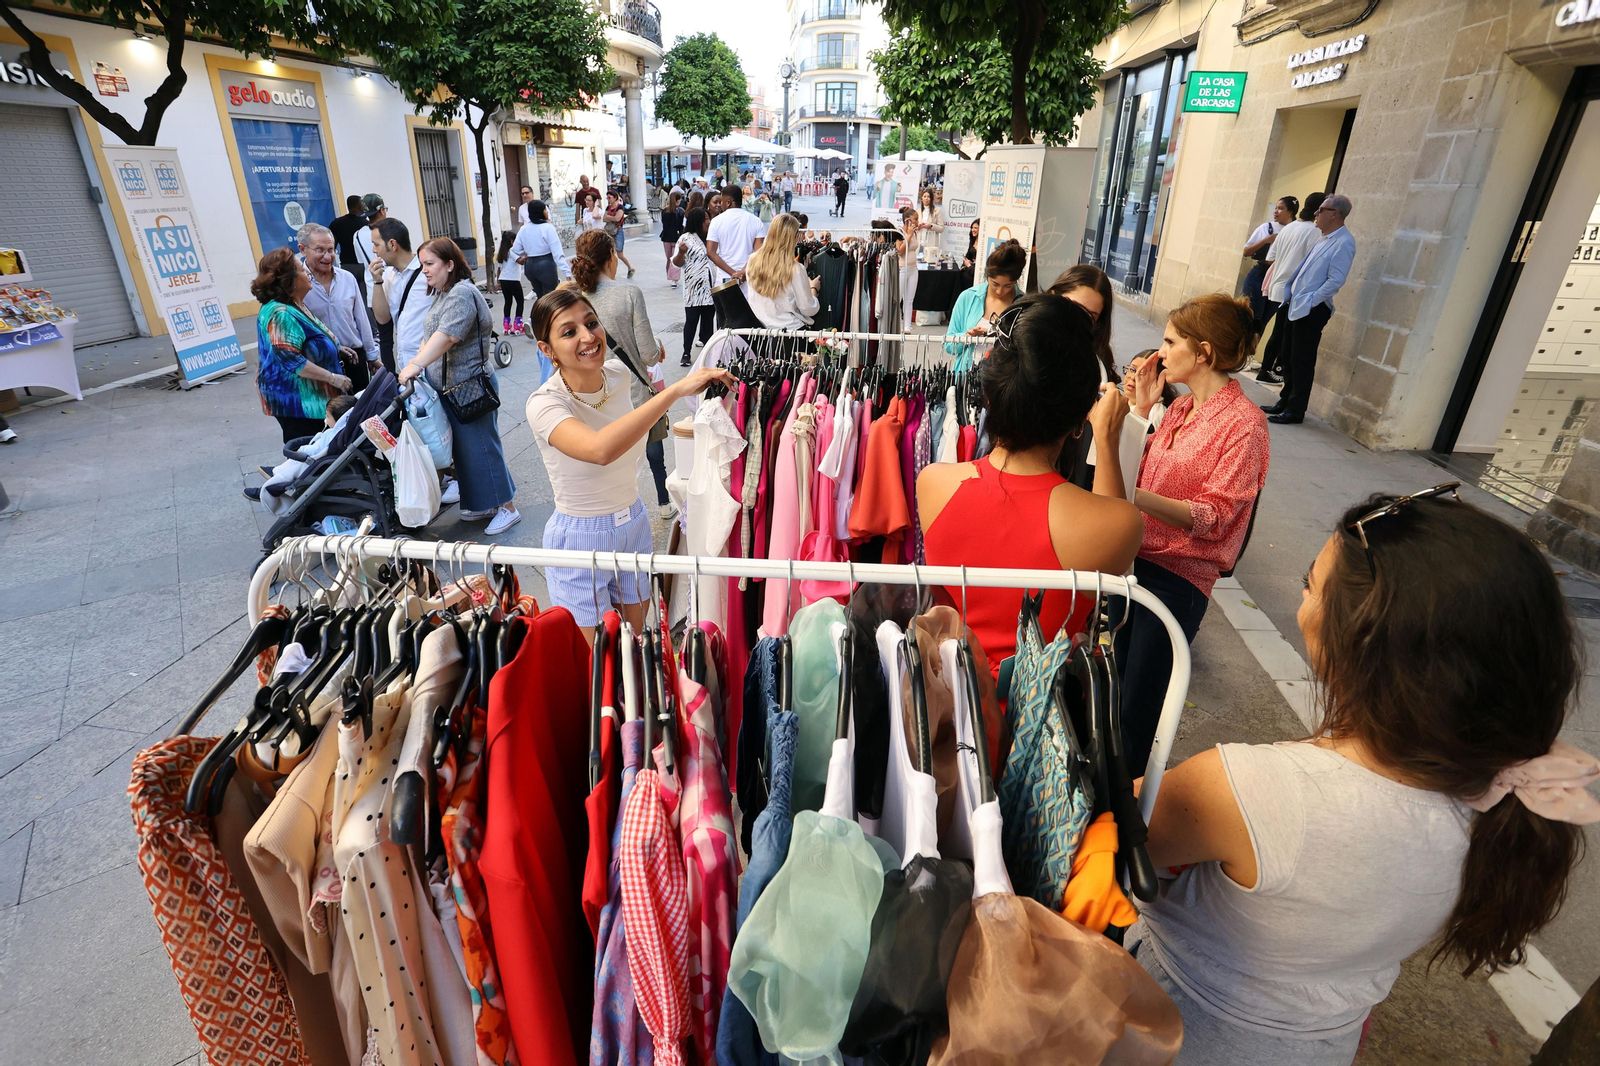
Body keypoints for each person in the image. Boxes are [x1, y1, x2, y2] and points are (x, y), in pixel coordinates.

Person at [1135, 487, 1598, 1064]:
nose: (1301, 599)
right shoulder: (1504, 799)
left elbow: (1115, 832)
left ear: (1357, 641)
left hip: (1179, 1031)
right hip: (1323, 1046)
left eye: (1309, 585)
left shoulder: (1253, 788)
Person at [1092, 293, 1272, 773]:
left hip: (1179, 579)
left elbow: (1213, 516)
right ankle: (1107, 802)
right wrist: (1140, 412)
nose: (1161, 351)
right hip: (1136, 564)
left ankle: (1124, 818)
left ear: (1204, 353)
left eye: (1171, 342)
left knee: (1137, 712)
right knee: (1114, 690)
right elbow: (1143, 470)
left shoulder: (1245, 426)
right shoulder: (1178, 410)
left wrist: (1132, 494)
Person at [920, 293, 1144, 676]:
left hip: (952, 709)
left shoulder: (934, 484)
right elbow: (1116, 541)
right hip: (1046, 721)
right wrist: (1105, 437)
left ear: (991, 395)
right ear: (1079, 419)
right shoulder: (1115, 524)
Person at [525, 288, 733, 632]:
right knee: (597, 661)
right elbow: (599, 450)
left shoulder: (618, 375)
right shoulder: (543, 404)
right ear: (547, 350)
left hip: (633, 521)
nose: (588, 336)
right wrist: (676, 390)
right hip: (580, 536)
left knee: (636, 645)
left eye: (591, 323)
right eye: (569, 331)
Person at [397, 237, 520, 535]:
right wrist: (417, 362)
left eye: (430, 264)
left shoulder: (461, 294)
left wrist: (416, 365)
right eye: (423, 264)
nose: (424, 270)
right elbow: (433, 333)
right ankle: (488, 502)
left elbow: (447, 337)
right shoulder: (444, 292)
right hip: (452, 388)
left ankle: (507, 508)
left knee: (482, 447)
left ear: (449, 264)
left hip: (469, 387)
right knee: (467, 450)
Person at [571, 230, 675, 519]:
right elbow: (648, 354)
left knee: (607, 455)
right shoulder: (629, 294)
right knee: (651, 444)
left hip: (590, 393)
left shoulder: (572, 298)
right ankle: (664, 502)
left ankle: (613, 508)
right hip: (631, 389)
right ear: (612, 258)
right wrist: (658, 347)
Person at [1265, 193, 1357, 425]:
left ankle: (1295, 410)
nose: (1315, 213)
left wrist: (1310, 301)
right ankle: (1285, 400)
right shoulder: (1323, 237)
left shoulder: (1344, 242)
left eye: (1321, 210)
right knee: (1287, 355)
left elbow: (1335, 281)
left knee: (1301, 361)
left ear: (1335, 214)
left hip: (1310, 309)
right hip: (1295, 304)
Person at [250, 248, 351, 444]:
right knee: (307, 452)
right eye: (302, 270)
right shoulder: (281, 313)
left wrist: (335, 347)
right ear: (291, 280)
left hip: (308, 399)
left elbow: (309, 338)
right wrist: (333, 378)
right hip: (298, 403)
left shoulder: (295, 303)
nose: (308, 273)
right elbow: (292, 360)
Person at [298, 222, 378, 390]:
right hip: (320, 365)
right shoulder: (298, 284)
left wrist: (371, 356)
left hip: (354, 359)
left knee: (362, 411)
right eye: (320, 250)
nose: (328, 257)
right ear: (303, 249)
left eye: (331, 250)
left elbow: (361, 320)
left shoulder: (347, 278)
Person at [1256, 192, 1324, 384]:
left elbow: (1271, 257)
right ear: (1319, 209)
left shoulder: (1289, 228)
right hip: (1293, 290)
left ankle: (1268, 369)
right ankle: (1271, 369)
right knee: (1283, 334)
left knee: (1279, 331)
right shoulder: (1314, 232)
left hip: (1278, 286)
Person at [945, 239, 1027, 371]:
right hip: (965, 378)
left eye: (1008, 286)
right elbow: (949, 346)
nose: (1000, 291)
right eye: (995, 284)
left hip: (1004, 382)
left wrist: (1002, 339)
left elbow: (1027, 352)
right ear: (987, 275)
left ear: (1016, 281)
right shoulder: (968, 297)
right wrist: (968, 337)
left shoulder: (1024, 305)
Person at [369, 217, 430, 376]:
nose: (374, 250)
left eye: (376, 244)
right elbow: (382, 320)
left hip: (431, 362)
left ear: (392, 244)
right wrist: (377, 281)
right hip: (405, 364)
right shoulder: (388, 275)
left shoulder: (428, 273)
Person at [745, 213, 821, 331]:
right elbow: (807, 308)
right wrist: (813, 289)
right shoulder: (795, 269)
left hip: (760, 331)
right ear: (794, 237)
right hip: (790, 331)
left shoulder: (753, 261)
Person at [1048, 264, 1116, 382]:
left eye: (1089, 316)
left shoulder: (1096, 364)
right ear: (1053, 296)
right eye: (1071, 307)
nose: (1077, 320)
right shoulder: (1022, 338)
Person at [1241, 199, 1293, 333]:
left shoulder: (1294, 231)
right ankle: (1240, 351)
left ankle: (1250, 351)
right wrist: (1266, 240)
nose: (1276, 211)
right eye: (1276, 208)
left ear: (1290, 212)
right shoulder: (1267, 227)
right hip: (1260, 273)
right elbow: (1247, 251)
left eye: (1281, 208)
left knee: (1263, 321)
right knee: (1250, 316)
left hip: (1279, 276)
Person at [674, 207, 716, 366]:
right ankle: (686, 352)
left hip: (710, 287)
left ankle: (708, 352)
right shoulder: (686, 238)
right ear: (698, 221)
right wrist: (680, 252)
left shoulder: (712, 237)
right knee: (691, 320)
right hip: (693, 287)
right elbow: (677, 263)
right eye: (706, 218)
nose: (709, 221)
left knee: (708, 321)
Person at [707, 184, 767, 287]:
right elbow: (759, 252)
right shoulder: (756, 221)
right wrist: (743, 272)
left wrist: (733, 273)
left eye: (722, 201)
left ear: (728, 203)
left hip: (724, 278)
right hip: (748, 277)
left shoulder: (716, 222)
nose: (721, 204)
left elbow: (711, 252)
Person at [511, 200, 569, 302]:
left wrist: (522, 255)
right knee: (551, 298)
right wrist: (567, 272)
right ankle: (547, 317)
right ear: (541, 212)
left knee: (540, 297)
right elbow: (557, 252)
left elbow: (515, 249)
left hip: (530, 266)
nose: (547, 212)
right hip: (546, 265)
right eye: (545, 210)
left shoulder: (524, 229)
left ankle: (538, 316)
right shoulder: (548, 228)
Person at [327, 194, 372, 301]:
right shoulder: (366, 224)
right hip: (364, 265)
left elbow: (332, 245)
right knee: (365, 297)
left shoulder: (337, 223)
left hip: (347, 265)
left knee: (350, 297)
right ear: (360, 207)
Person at [495, 230, 525, 335]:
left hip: (504, 280)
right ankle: (518, 325)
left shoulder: (502, 252)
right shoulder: (513, 250)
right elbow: (520, 261)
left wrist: (498, 282)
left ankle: (506, 325)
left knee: (508, 302)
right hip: (513, 280)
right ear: (512, 241)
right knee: (520, 301)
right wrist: (527, 256)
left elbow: (499, 269)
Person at [604, 191, 635, 277]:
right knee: (610, 253)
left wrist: (609, 217)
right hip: (609, 231)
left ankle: (630, 268)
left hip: (618, 232)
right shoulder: (608, 207)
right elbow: (604, 219)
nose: (608, 199)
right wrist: (612, 218)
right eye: (607, 198)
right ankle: (610, 272)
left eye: (609, 197)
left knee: (620, 254)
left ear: (615, 198)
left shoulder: (620, 207)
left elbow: (618, 218)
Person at [659, 188, 685, 286]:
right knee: (674, 258)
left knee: (669, 258)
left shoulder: (664, 211)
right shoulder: (680, 211)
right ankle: (674, 278)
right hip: (676, 237)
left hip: (666, 237)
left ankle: (669, 275)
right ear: (678, 200)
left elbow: (663, 223)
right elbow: (681, 226)